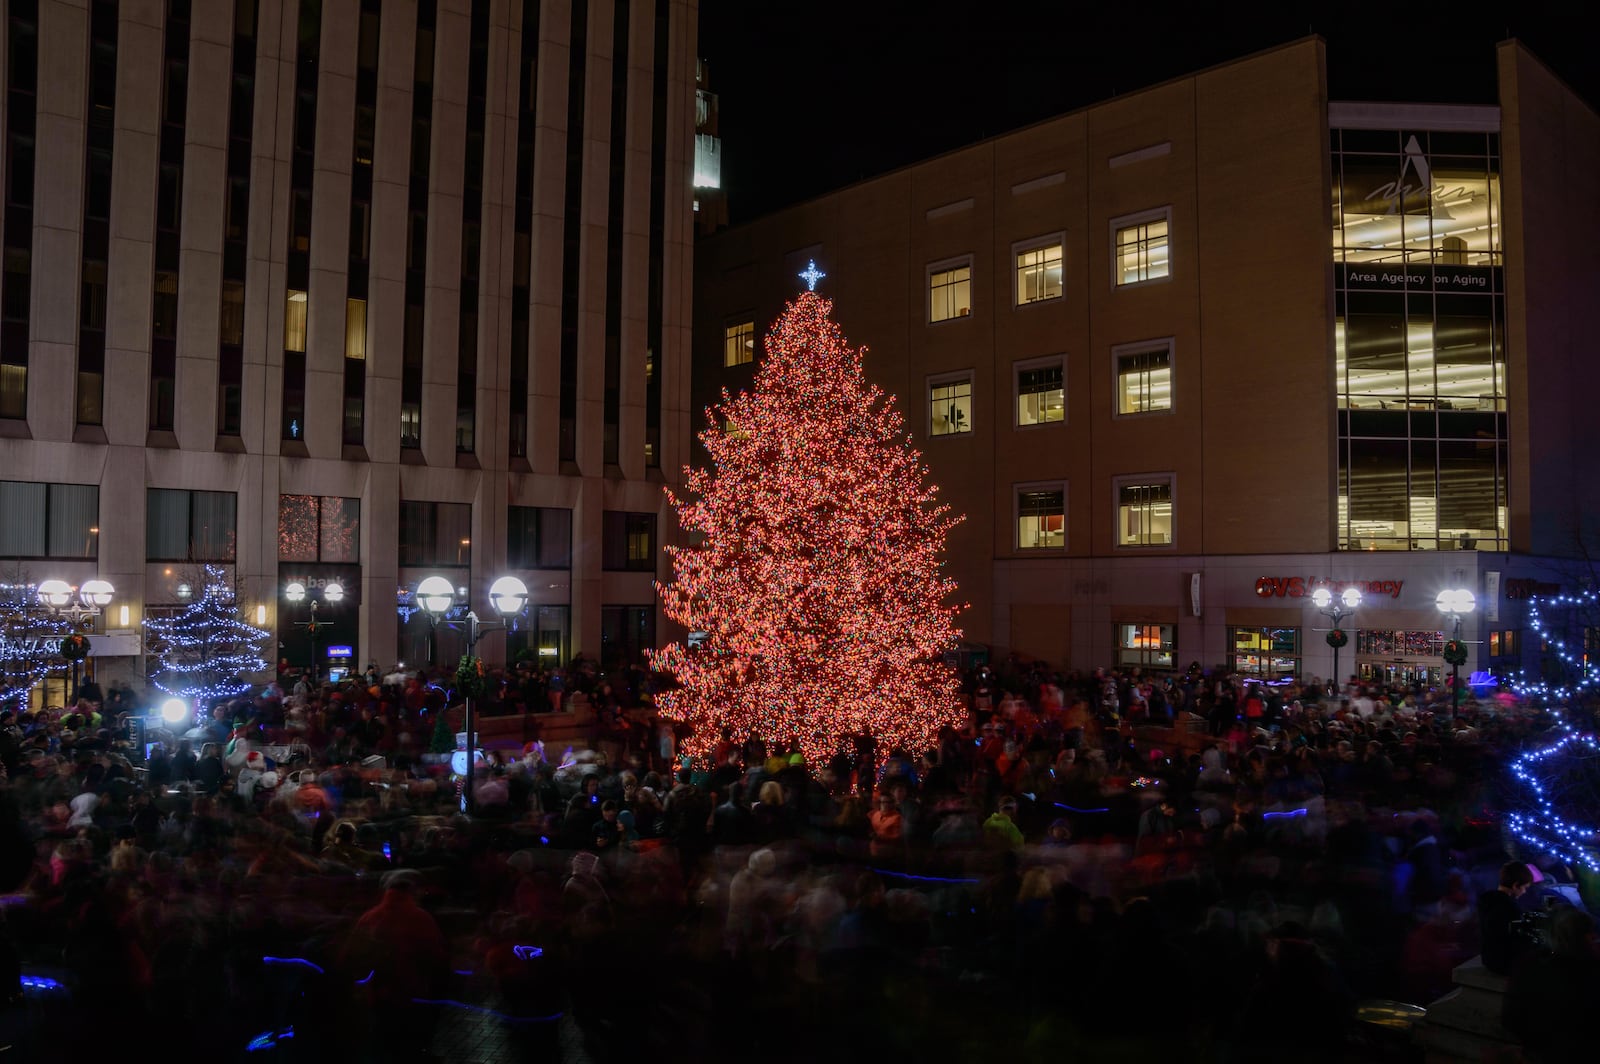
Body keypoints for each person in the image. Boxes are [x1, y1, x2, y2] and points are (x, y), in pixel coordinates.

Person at [1479, 861, 1535, 975]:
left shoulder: (1486, 900)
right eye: (1524, 887)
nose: (1524, 892)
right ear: (1515, 885)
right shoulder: (1509, 907)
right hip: (1504, 963)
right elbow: (1513, 940)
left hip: (1488, 959)